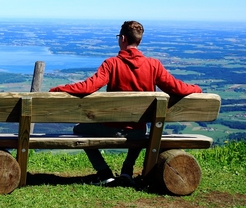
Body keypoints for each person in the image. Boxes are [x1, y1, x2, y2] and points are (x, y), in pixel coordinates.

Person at [49, 21, 202, 186]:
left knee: (79, 129)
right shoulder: (154, 65)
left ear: (122, 38)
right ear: (139, 41)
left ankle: (104, 172)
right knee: (139, 125)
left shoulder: (111, 64)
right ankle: (127, 171)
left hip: (111, 129)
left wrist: (59, 88)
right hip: (139, 131)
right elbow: (177, 87)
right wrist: (196, 89)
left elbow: (88, 87)